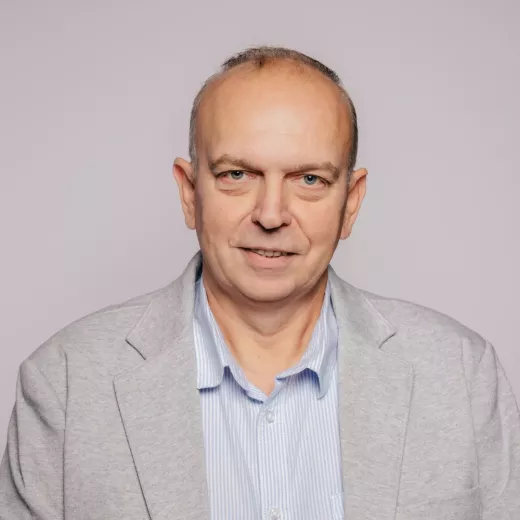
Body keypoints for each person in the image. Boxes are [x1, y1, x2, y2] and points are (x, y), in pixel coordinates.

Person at [1, 45, 519, 520]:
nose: (271, 214)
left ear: (351, 202)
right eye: (237, 175)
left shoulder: (461, 373)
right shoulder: (65, 382)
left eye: (309, 179)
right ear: (189, 193)